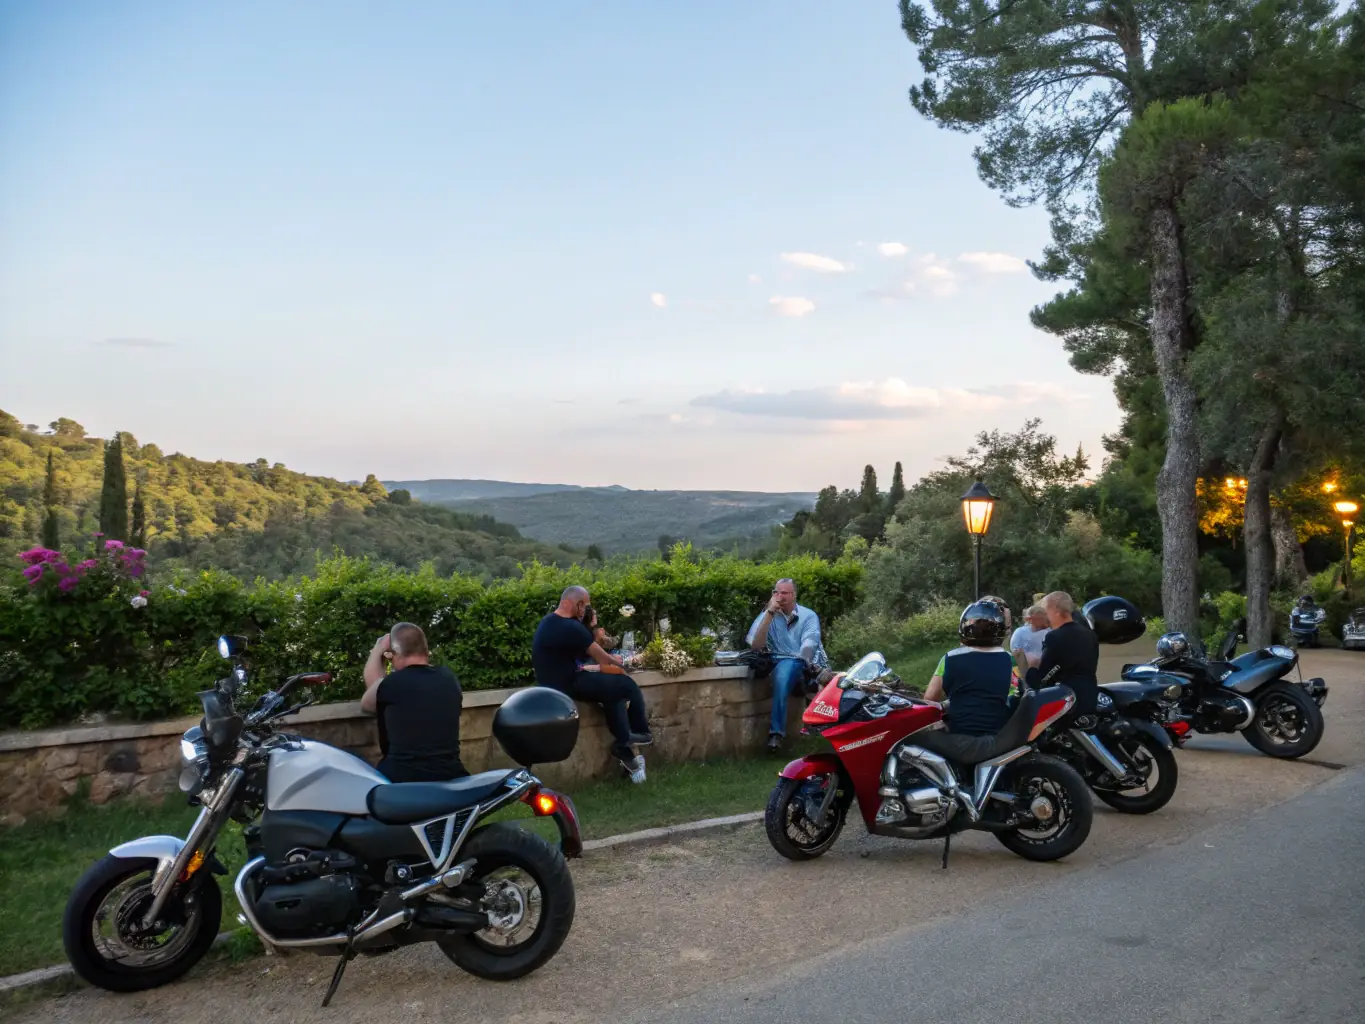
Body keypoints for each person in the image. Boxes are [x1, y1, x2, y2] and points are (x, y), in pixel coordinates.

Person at [532, 586, 652, 783]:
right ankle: (641, 733)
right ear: (578, 604)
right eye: (586, 606)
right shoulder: (572, 628)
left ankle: (623, 747)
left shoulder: (549, 621)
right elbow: (603, 658)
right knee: (626, 685)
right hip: (568, 683)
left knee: (613, 693)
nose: (586, 610)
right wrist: (625, 666)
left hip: (554, 681)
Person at [360, 622, 468, 783]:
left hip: (402, 780)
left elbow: (368, 701)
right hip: (450, 775)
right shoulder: (449, 679)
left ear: (396, 654)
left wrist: (378, 650)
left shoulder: (392, 684)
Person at [747, 578, 828, 751]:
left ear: (793, 595)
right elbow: (756, 646)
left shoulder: (808, 616)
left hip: (801, 661)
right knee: (782, 671)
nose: (779, 596)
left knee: (785, 672)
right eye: (776, 592)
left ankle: (776, 733)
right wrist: (769, 613)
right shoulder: (767, 615)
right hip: (774, 660)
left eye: (784, 593)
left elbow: (808, 646)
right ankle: (777, 733)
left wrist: (802, 663)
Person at [923, 600, 1021, 736]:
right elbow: (1012, 693)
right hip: (996, 733)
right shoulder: (1007, 658)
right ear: (1000, 629)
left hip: (958, 733)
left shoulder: (950, 658)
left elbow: (929, 699)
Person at [1036, 591, 1100, 718]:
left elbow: (1045, 675)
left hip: (1066, 702)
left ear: (1055, 611)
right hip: (1090, 696)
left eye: (1045, 611)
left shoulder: (1053, 637)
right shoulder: (1090, 635)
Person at [1010, 603, 1051, 678]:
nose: (1046, 621)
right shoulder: (1020, 632)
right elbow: (1015, 652)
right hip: (1024, 668)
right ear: (1030, 619)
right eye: (1042, 618)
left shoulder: (1049, 632)